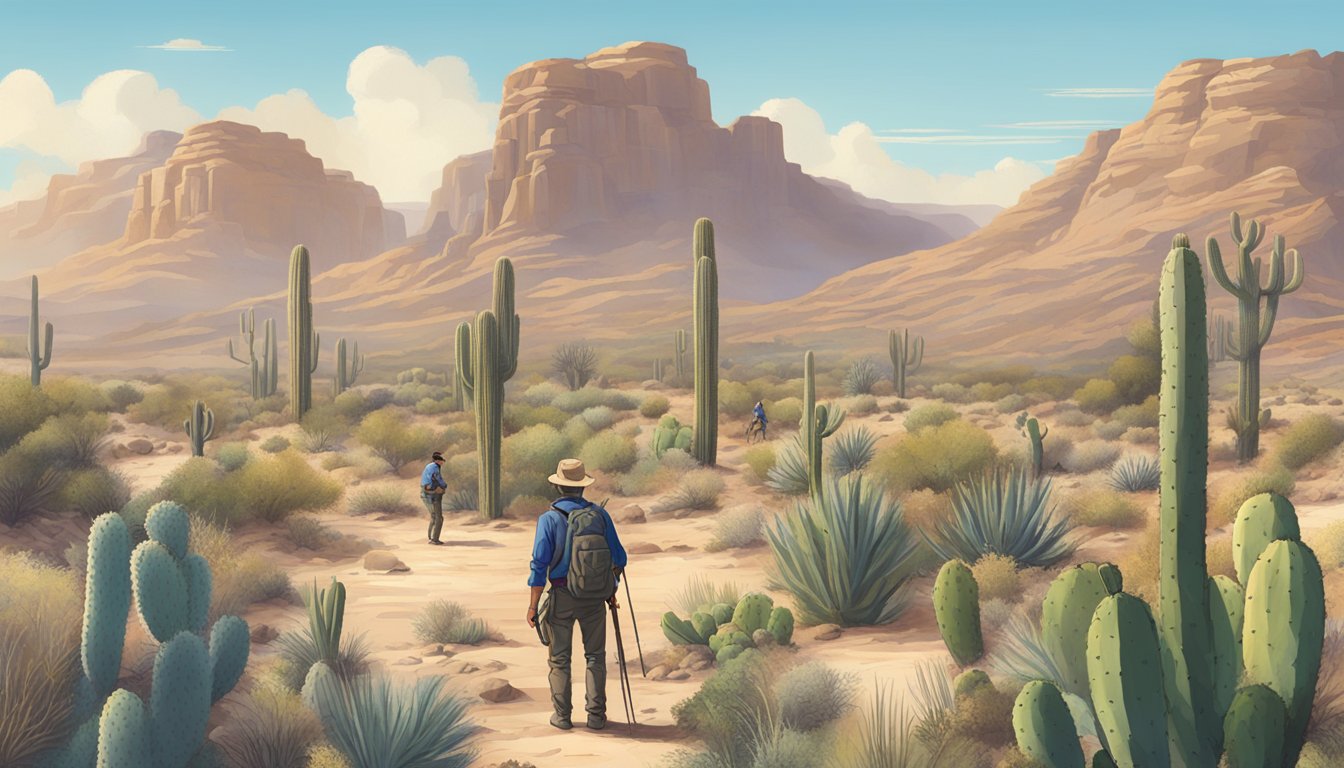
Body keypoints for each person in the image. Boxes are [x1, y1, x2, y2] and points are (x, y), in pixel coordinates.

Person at [526, 458, 628, 731]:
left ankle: (562, 717)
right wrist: (611, 590)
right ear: (583, 487)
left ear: (559, 487)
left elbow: (539, 565)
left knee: (560, 659)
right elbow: (619, 558)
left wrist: (533, 605)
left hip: (561, 595)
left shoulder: (548, 519)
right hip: (595, 598)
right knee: (595, 656)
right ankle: (596, 717)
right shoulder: (600, 516)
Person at [420, 451, 448, 545]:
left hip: (424, 492)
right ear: (437, 460)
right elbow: (437, 478)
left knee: (433, 515)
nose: (442, 462)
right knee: (439, 518)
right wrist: (444, 485)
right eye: (441, 460)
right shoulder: (435, 467)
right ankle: (434, 539)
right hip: (431, 493)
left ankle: (430, 537)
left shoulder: (429, 466)